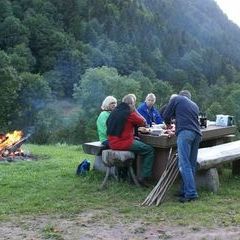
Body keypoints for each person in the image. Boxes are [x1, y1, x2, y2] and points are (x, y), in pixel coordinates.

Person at [162, 90, 202, 202]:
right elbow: (187, 119)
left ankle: (191, 194)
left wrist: (169, 125)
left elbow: (166, 114)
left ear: (181, 95)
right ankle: (185, 191)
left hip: (185, 134)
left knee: (184, 164)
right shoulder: (194, 105)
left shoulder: (176, 99)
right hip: (197, 135)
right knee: (191, 165)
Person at [107, 94, 155, 186]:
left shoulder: (115, 111)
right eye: (134, 104)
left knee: (138, 147)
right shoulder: (129, 113)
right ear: (131, 104)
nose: (134, 106)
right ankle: (143, 177)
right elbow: (143, 122)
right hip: (123, 143)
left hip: (112, 142)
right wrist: (135, 110)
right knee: (149, 150)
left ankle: (129, 176)